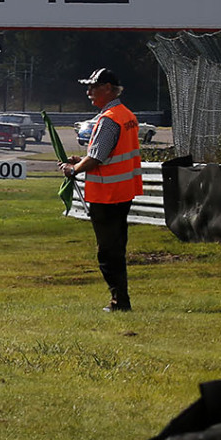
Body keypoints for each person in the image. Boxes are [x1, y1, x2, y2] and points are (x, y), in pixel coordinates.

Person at [59, 67, 142, 312]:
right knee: (117, 248)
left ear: (107, 88)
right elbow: (108, 154)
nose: (88, 92)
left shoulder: (108, 119)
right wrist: (81, 160)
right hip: (123, 192)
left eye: (92, 87)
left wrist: (73, 169)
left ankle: (119, 301)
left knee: (108, 253)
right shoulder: (126, 115)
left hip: (107, 196)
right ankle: (121, 299)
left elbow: (97, 157)